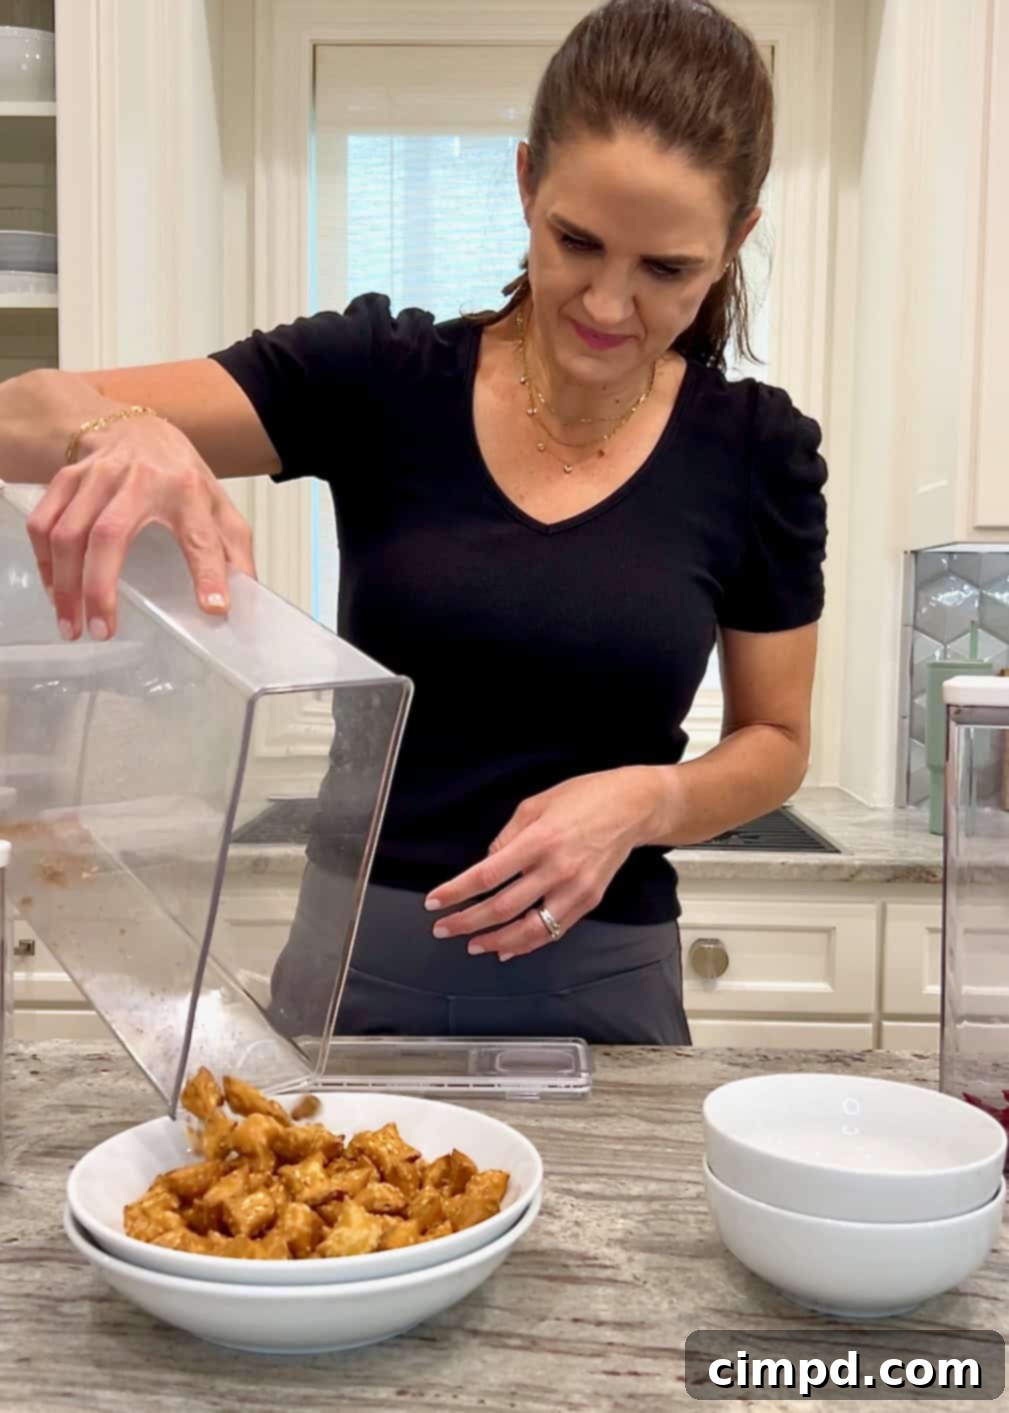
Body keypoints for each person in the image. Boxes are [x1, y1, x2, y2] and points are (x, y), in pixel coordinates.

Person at [1, 0, 827, 1045]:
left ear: (734, 242)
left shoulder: (757, 452)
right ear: (525, 181)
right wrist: (125, 430)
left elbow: (776, 739)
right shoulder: (379, 376)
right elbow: (20, 415)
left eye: (667, 270)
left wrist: (647, 803)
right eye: (577, 241)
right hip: (358, 965)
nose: (608, 306)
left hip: (605, 976)